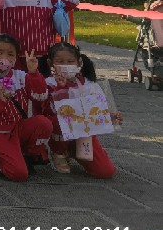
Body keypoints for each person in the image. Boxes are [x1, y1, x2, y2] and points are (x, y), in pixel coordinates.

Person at [0, 34, 52, 182]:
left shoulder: (21, 76)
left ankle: (28, 155)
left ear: (16, 57)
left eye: (10, 54)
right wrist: (0, 101)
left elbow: (40, 96)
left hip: (18, 127)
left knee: (44, 123)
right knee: (19, 174)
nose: (4, 58)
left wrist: (34, 73)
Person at [40, 42, 119, 179]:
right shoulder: (47, 83)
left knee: (105, 171)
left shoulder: (90, 85)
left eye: (70, 61)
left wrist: (111, 117)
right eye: (60, 62)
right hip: (59, 133)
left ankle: (75, 150)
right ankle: (58, 151)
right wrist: (61, 88)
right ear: (50, 63)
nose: (66, 65)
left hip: (84, 134)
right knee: (59, 119)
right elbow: (47, 110)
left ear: (79, 62)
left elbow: (99, 110)